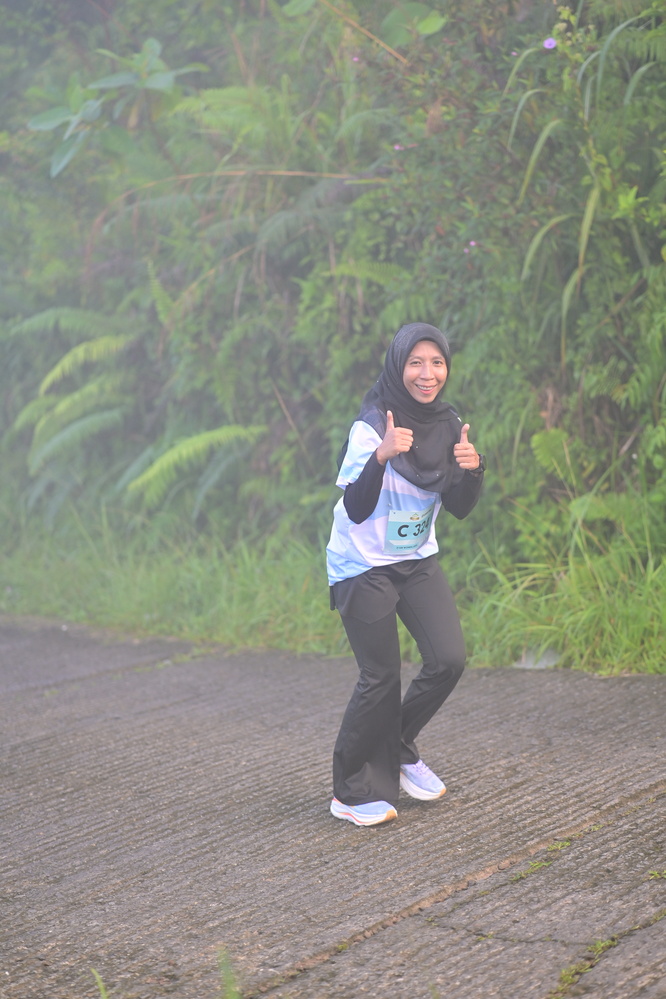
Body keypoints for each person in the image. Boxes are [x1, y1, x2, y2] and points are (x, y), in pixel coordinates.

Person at [326, 322, 485, 826]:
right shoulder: (373, 424)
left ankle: (397, 747)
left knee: (448, 659)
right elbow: (355, 508)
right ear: (399, 366)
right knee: (380, 676)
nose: (427, 373)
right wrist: (381, 455)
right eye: (416, 362)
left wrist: (473, 469)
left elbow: (458, 506)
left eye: (436, 362)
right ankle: (350, 792)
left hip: (415, 560)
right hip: (362, 563)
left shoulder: (448, 423)